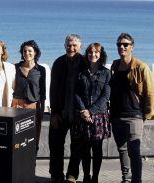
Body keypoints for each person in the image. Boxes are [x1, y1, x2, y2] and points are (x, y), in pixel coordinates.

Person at [110, 33, 154, 183]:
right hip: (116, 115)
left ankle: (137, 180)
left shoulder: (141, 67)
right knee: (122, 150)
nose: (121, 47)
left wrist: (147, 114)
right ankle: (126, 179)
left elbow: (149, 92)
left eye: (125, 44)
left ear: (132, 47)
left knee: (134, 150)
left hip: (134, 115)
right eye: (119, 44)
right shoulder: (114, 66)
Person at [49, 34, 86, 183]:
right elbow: (53, 89)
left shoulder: (85, 62)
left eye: (74, 45)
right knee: (55, 145)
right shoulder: (58, 62)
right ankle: (56, 174)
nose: (71, 48)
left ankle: (72, 175)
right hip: (60, 112)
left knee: (76, 147)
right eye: (69, 45)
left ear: (80, 47)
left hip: (77, 113)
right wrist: (54, 113)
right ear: (65, 46)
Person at [72, 43, 111, 183]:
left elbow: (105, 96)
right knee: (84, 149)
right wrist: (84, 111)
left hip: (99, 116)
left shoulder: (106, 72)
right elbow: (76, 93)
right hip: (82, 115)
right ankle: (86, 176)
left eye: (96, 52)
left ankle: (95, 177)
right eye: (90, 52)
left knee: (97, 149)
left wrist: (91, 111)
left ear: (101, 55)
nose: (93, 54)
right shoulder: (81, 72)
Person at [11, 40, 46, 153]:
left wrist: (41, 109)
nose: (27, 53)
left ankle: (32, 165)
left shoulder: (41, 70)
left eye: (30, 51)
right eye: (24, 51)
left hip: (33, 106)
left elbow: (43, 91)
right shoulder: (15, 67)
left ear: (35, 52)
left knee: (33, 138)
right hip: (16, 105)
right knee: (16, 138)